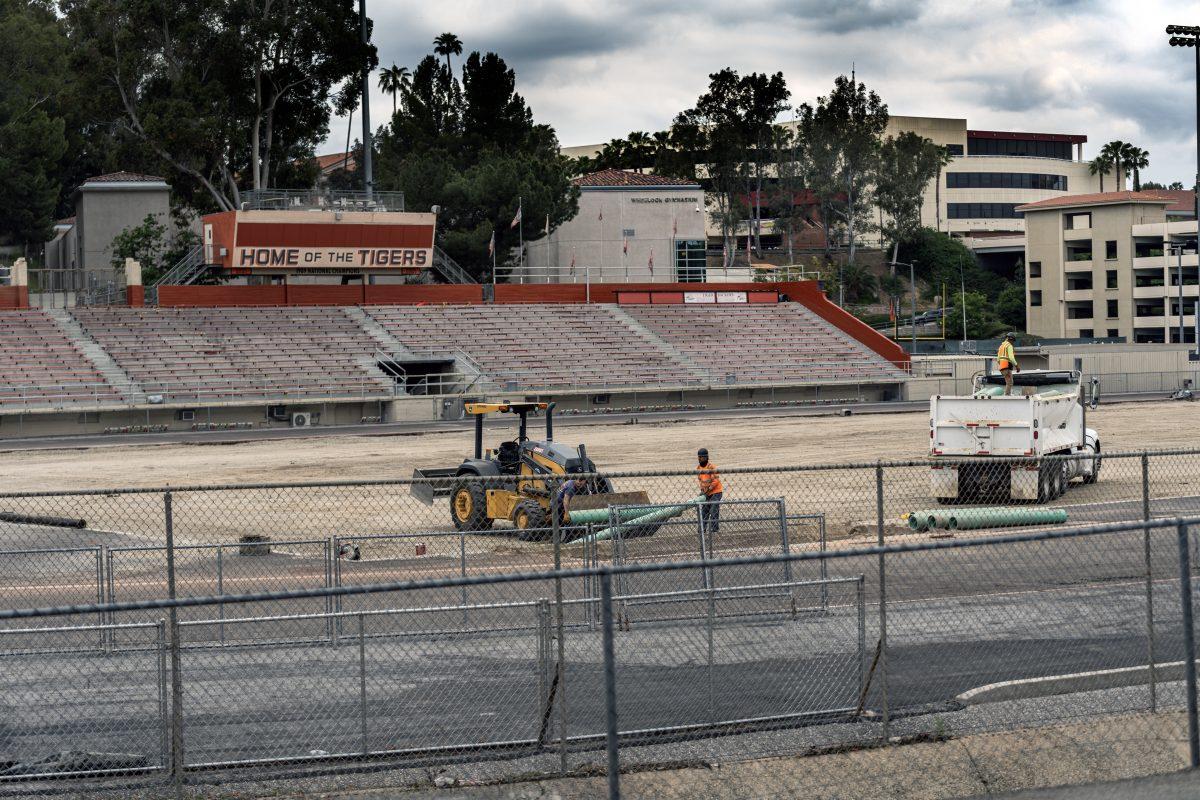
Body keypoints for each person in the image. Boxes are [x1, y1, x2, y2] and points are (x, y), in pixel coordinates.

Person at [696, 448, 723, 536]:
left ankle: (714, 529)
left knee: (714, 509)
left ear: (706, 458)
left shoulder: (711, 467)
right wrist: (703, 490)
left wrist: (709, 488)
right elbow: (701, 481)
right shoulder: (698, 468)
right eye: (699, 457)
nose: (700, 459)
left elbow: (715, 481)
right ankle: (702, 529)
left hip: (716, 491)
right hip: (707, 492)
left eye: (702, 457)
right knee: (704, 510)